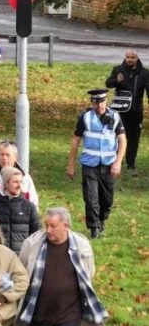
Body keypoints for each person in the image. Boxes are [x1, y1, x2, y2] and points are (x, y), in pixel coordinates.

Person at [16, 207, 115, 326]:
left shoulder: (81, 246)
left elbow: (89, 273)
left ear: (66, 226)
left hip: (69, 313)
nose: (48, 230)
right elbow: (21, 272)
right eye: (46, 225)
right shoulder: (32, 244)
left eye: (53, 226)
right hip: (41, 314)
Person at [66, 89, 126, 238]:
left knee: (107, 199)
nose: (100, 106)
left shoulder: (115, 117)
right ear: (92, 103)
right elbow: (75, 141)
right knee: (91, 197)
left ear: (107, 101)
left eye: (102, 102)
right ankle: (94, 227)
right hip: (90, 165)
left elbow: (123, 140)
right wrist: (71, 165)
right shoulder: (85, 118)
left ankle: (101, 219)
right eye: (96, 102)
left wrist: (118, 162)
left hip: (108, 165)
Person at [105, 50, 147, 170]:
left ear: (137, 58)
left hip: (135, 111)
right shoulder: (118, 70)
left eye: (132, 57)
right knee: (117, 136)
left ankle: (131, 163)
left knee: (134, 138)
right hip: (119, 111)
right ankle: (116, 160)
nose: (129, 59)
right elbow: (108, 84)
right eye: (128, 57)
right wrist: (116, 81)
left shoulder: (144, 73)